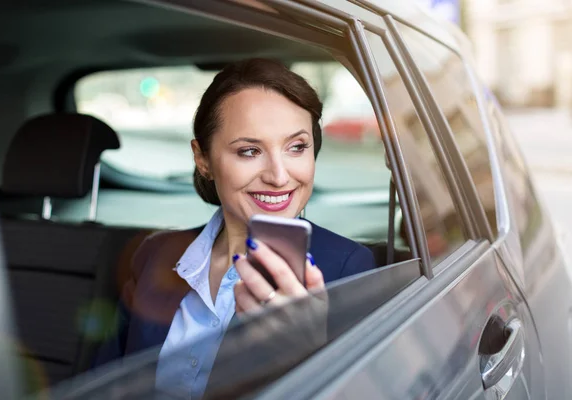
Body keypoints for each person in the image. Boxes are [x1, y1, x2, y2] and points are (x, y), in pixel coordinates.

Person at [94, 58, 377, 399]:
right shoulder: (154, 255)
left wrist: (311, 355)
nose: (279, 175)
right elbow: (104, 385)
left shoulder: (349, 270)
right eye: (249, 151)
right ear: (203, 160)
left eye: (297, 147)